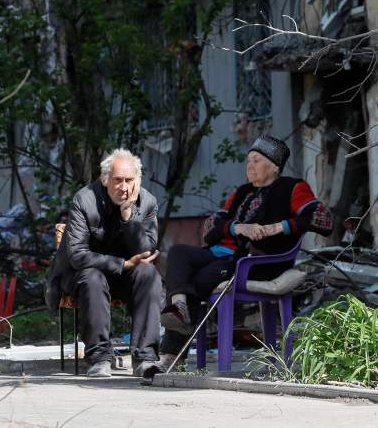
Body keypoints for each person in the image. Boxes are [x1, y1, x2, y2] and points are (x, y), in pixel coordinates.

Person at [158, 134, 333, 368]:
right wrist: (238, 227)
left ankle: (171, 355)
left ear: (274, 168)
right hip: (223, 255)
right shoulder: (241, 192)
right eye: (248, 160)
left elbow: (321, 218)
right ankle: (179, 308)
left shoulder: (293, 187)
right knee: (179, 252)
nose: (249, 165)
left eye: (256, 160)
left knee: (196, 279)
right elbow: (211, 228)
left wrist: (275, 228)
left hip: (258, 262)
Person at [45, 148, 163, 378]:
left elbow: (146, 251)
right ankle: (98, 358)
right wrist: (123, 264)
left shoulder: (147, 201)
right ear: (105, 178)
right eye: (118, 180)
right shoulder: (84, 199)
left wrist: (128, 215)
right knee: (93, 278)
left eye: (130, 180)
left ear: (137, 180)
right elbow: (77, 255)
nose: (124, 187)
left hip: (123, 276)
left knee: (149, 274)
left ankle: (145, 358)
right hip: (82, 274)